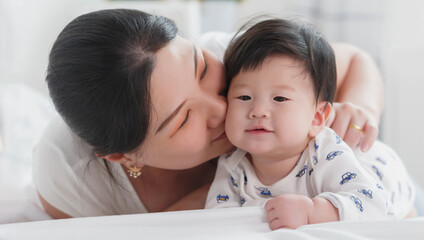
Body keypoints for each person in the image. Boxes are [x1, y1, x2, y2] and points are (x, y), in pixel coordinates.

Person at [34, 8, 392, 218]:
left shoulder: (238, 61)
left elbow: (356, 62)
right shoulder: (70, 177)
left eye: (202, 70)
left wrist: (362, 113)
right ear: (123, 156)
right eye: (184, 119)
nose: (223, 106)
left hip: (364, 182)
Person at [204, 18, 414, 230]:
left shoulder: (324, 153)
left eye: (279, 99)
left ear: (317, 118)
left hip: (381, 175)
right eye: (244, 97)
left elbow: (373, 206)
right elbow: (219, 218)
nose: (258, 111)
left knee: (406, 225)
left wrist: (314, 211)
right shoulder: (233, 163)